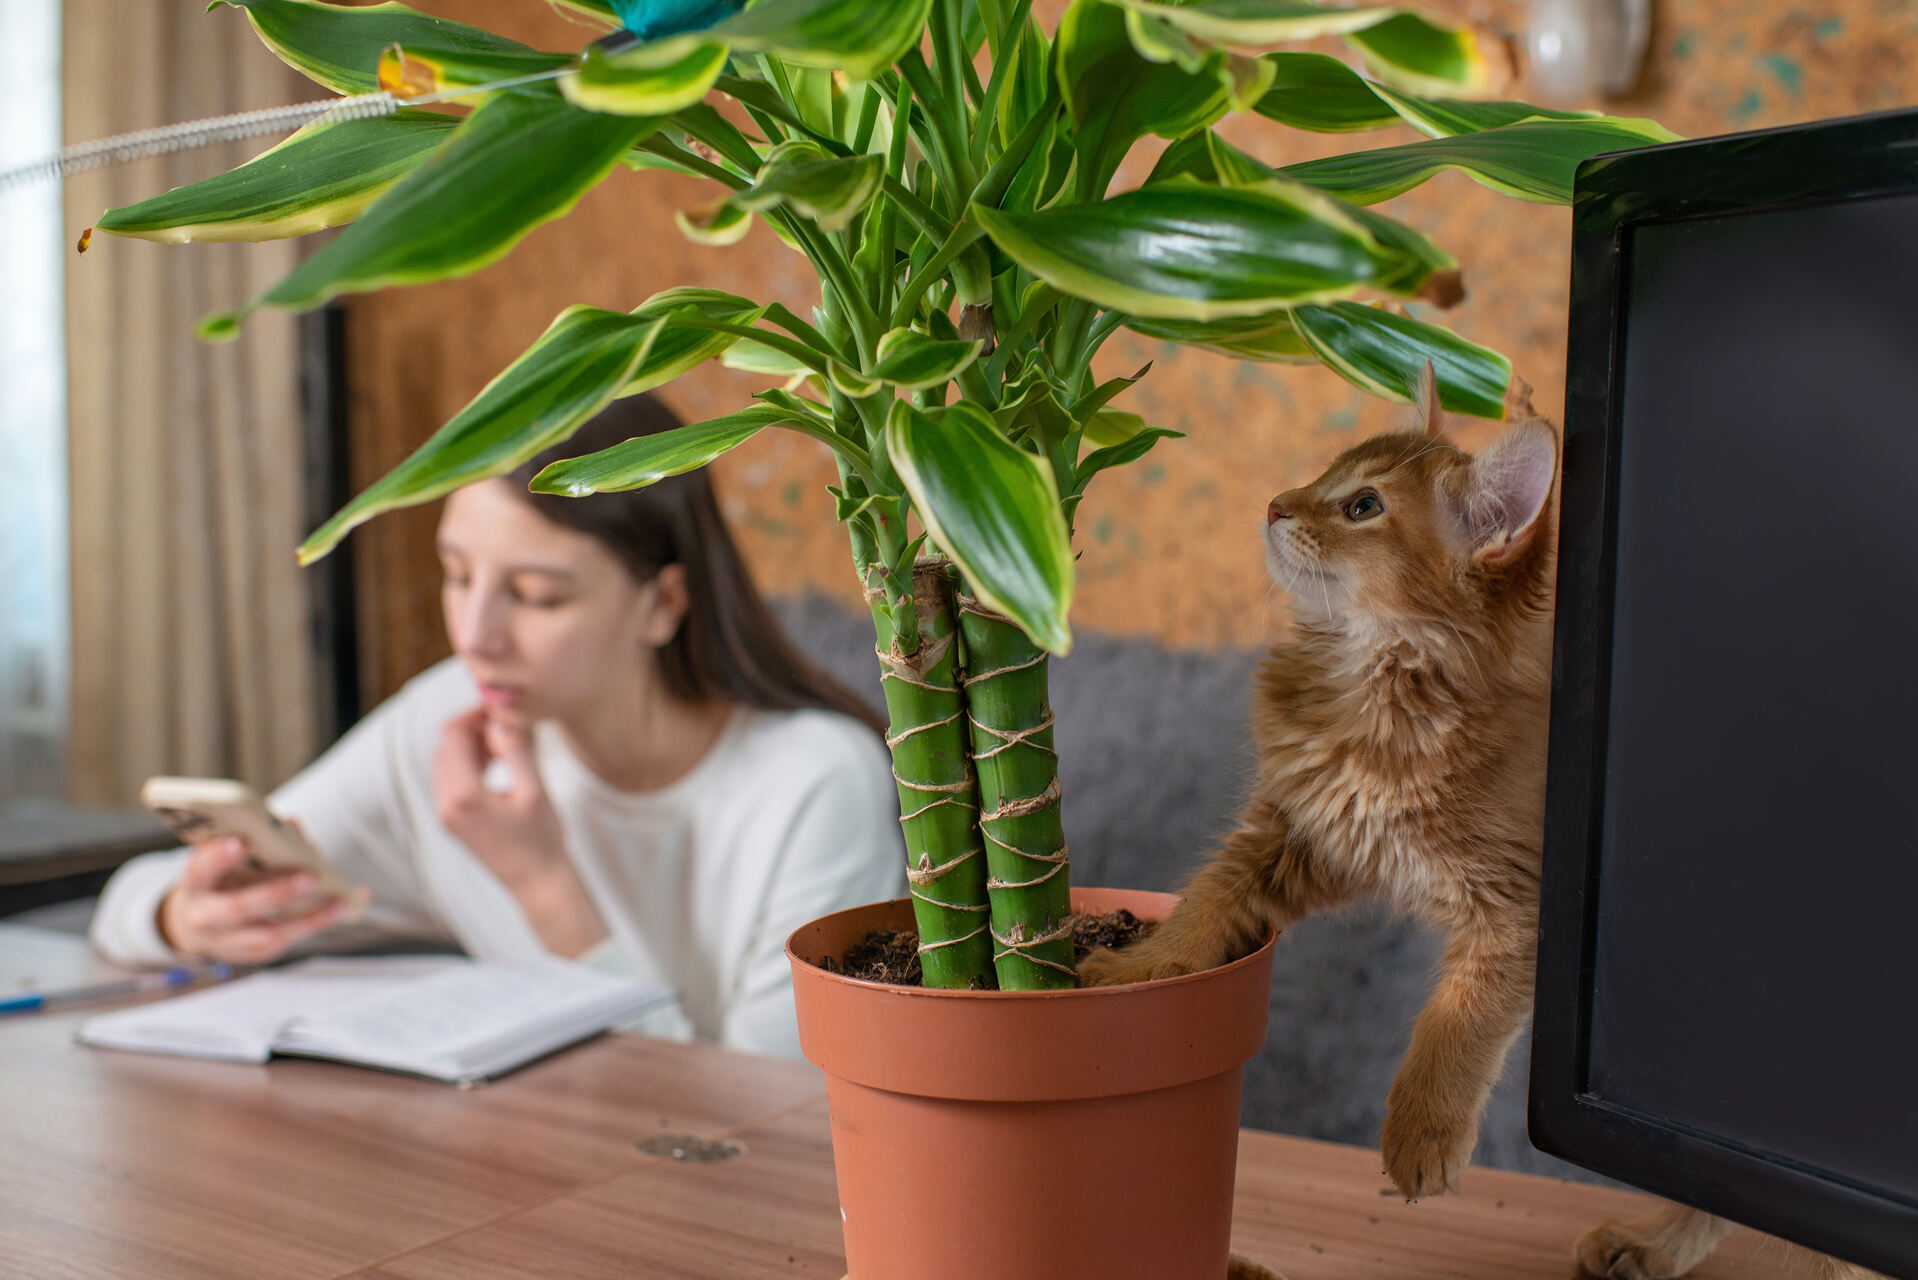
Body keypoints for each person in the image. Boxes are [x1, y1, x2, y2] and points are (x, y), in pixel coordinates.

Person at [90, 395, 905, 1059]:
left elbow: (764, 1128)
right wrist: (185, 916)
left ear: (662, 603)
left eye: (538, 596)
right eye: (456, 575)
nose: (475, 634)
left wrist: (543, 887)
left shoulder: (815, 782)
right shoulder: (451, 719)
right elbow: (128, 904)